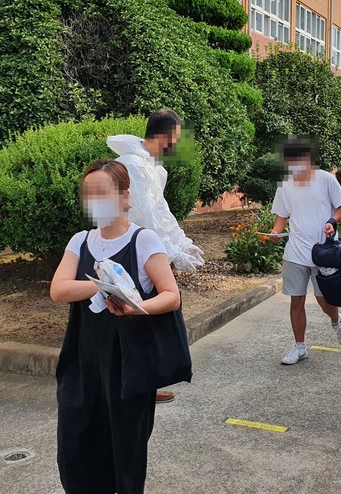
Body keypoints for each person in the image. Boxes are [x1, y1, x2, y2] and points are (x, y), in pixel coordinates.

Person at [50, 160, 190, 494]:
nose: (94, 201)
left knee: (125, 452)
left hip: (128, 365)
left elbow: (171, 296)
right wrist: (103, 285)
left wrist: (133, 307)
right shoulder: (80, 241)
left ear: (125, 196)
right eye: (89, 194)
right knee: (76, 446)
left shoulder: (144, 240)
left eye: (102, 192)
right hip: (83, 359)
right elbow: (58, 290)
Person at [108, 109, 203, 404]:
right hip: (129, 251)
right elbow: (144, 217)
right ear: (165, 136)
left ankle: (145, 383)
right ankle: (129, 387)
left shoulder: (154, 168)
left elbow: (162, 213)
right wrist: (173, 253)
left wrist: (183, 243)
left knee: (148, 319)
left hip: (148, 252)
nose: (176, 145)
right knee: (131, 318)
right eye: (176, 138)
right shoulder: (132, 165)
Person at [270, 137, 341, 365]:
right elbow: (282, 216)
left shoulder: (326, 179)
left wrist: (332, 222)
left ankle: (337, 321)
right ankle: (299, 346)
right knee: (296, 300)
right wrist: (275, 233)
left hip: (323, 252)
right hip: (295, 252)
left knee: (324, 301)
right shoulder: (285, 185)